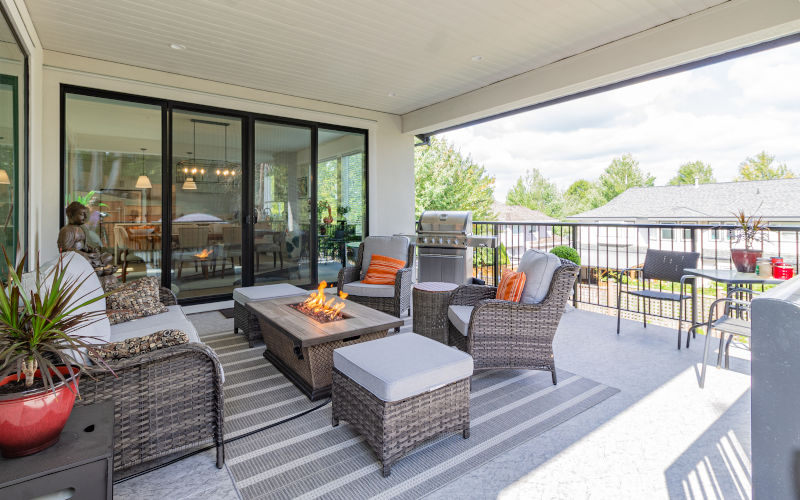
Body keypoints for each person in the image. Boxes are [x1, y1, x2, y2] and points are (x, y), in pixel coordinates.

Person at [57, 201, 116, 276]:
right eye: (82, 214)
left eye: (86, 214)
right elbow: (64, 249)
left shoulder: (81, 229)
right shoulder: (67, 230)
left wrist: (91, 249)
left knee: (108, 256)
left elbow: (84, 245)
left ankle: (96, 265)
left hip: (87, 256)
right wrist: (84, 254)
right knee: (87, 260)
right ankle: (95, 267)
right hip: (76, 258)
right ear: (71, 215)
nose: (85, 217)